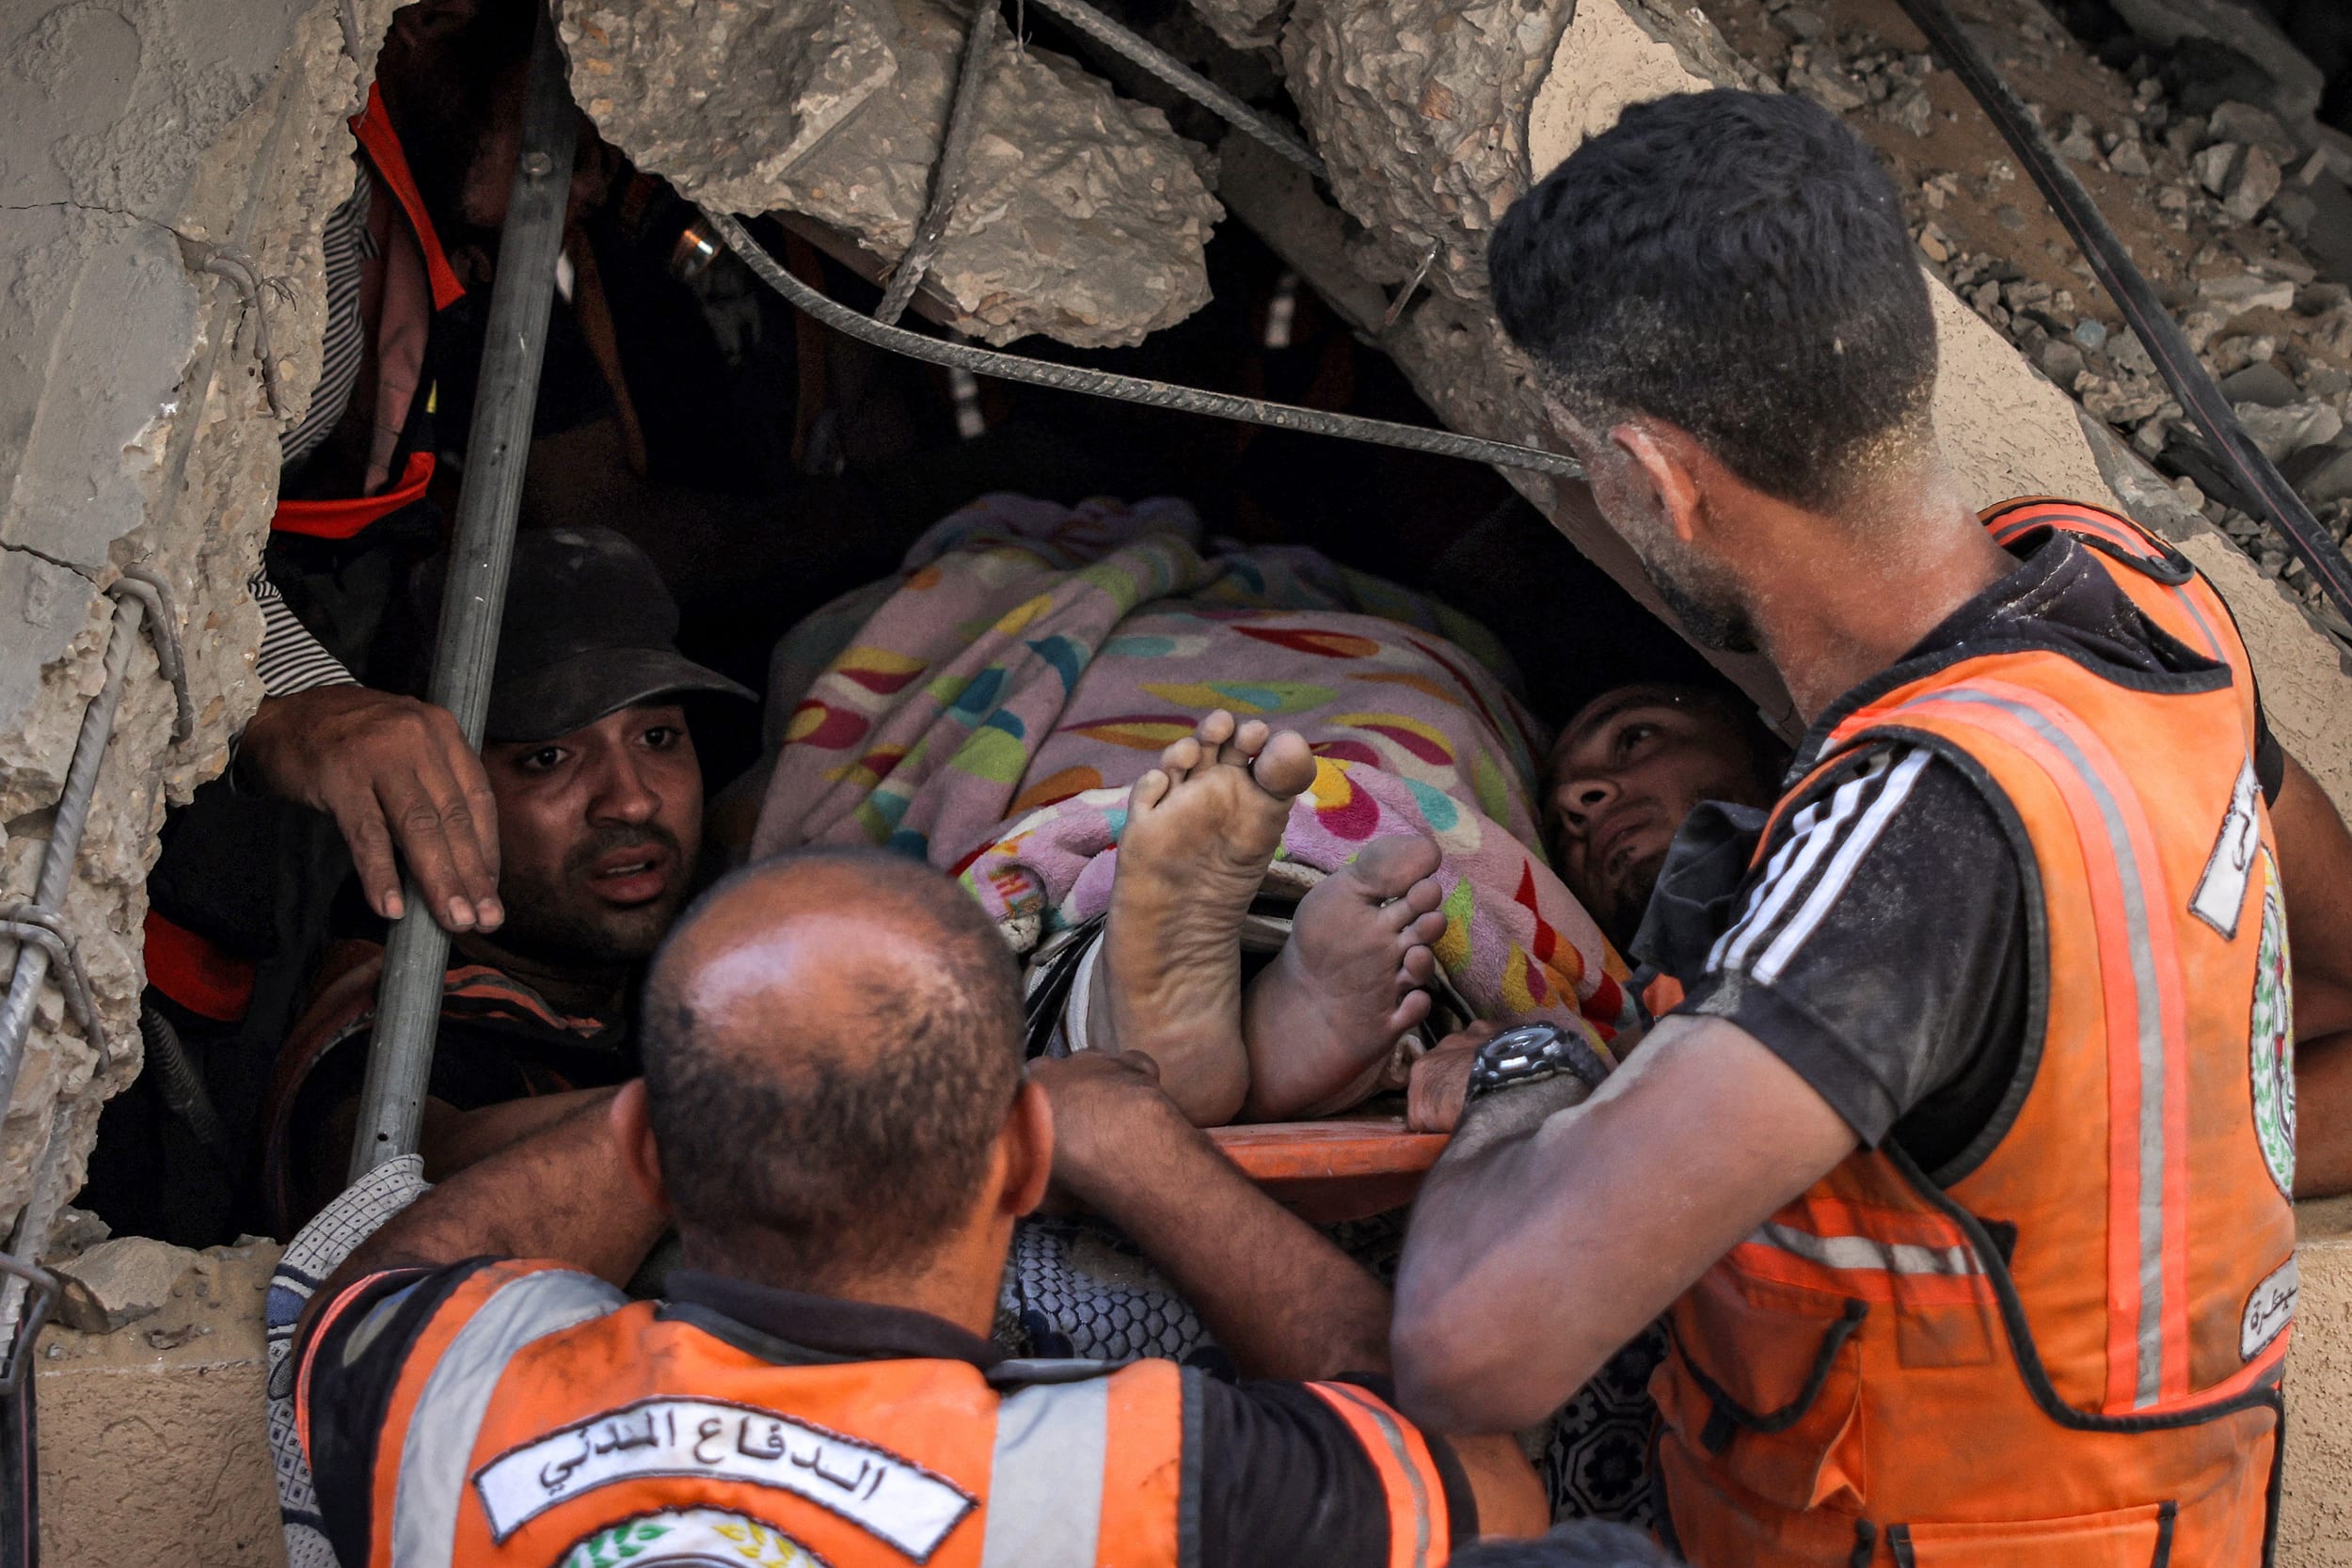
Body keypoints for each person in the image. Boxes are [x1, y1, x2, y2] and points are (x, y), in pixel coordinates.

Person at [1390, 88, 2325, 1564]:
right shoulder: (2141, 608)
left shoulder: (1914, 828)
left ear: (1659, 479)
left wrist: (1531, 1067)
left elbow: (1468, 1343)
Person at [289, 847, 1546, 1566]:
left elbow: (388, 1272)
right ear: (1021, 1155)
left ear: (646, 1147)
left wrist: (731, 1086)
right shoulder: (1133, 1479)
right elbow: (1487, 1485)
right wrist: (1143, 1144)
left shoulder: (450, 1408)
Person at [261, 527, 749, 1229]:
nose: (633, 799)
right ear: (424, 788)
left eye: (658, 738)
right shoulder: (404, 1026)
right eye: (549, 757)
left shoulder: (663, 965)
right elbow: (405, 1183)